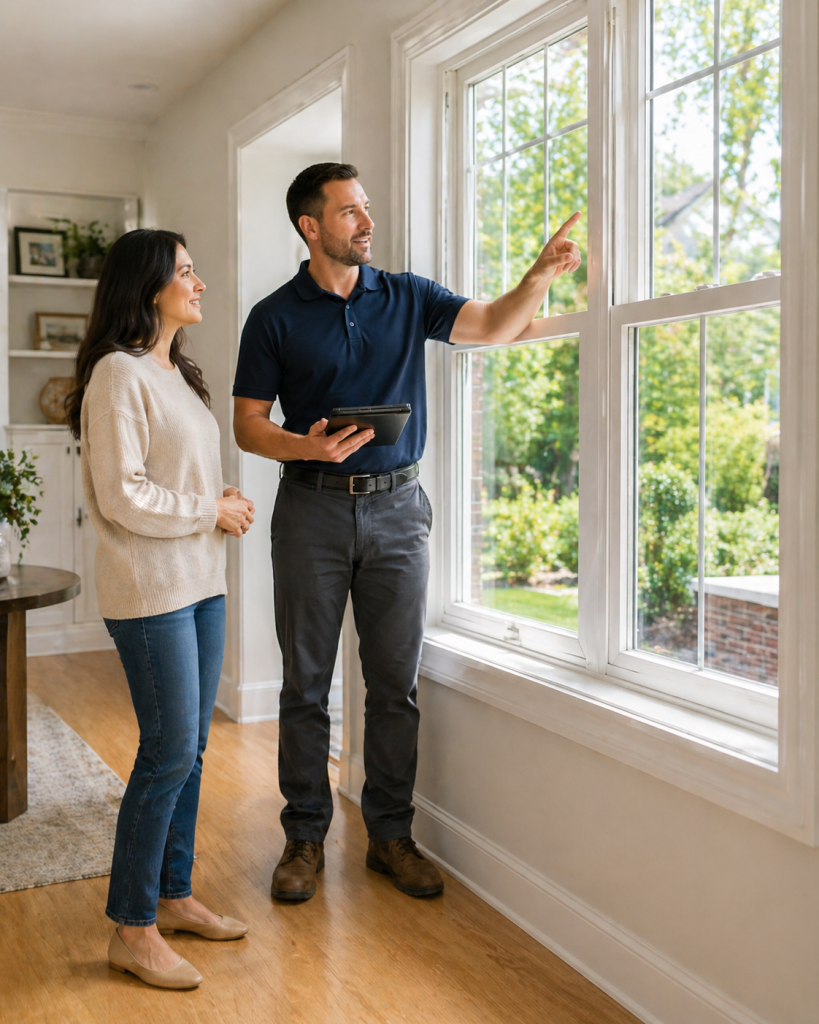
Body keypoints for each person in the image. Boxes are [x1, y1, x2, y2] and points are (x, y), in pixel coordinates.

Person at [232, 163, 580, 903]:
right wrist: (306, 446)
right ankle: (303, 837)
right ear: (310, 226)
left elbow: (493, 325)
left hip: (399, 512)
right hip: (311, 512)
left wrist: (540, 274)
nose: (367, 222)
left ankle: (390, 836)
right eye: (350, 211)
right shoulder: (272, 316)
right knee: (305, 685)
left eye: (366, 207)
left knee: (395, 684)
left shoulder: (408, 295)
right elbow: (249, 425)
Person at [66, 229, 256, 990]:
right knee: (168, 750)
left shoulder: (176, 372)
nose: (199, 282)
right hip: (151, 591)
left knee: (191, 750)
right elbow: (124, 495)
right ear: (148, 287)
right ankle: (132, 928)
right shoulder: (119, 373)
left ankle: (173, 896)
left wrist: (218, 499)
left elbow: (174, 478)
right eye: (185, 271)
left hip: (200, 582)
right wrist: (209, 510)